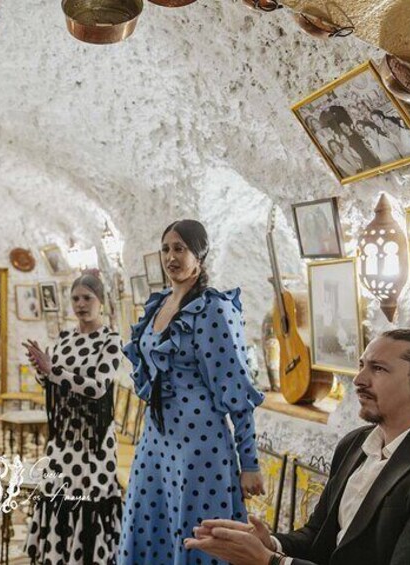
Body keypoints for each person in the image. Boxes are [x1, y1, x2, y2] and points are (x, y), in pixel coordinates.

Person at [185, 329, 410, 565]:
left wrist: (272, 561)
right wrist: (270, 542)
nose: (359, 380)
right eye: (361, 366)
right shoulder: (355, 444)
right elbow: (318, 535)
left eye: (379, 369)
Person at [119, 219, 265, 565]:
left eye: (180, 248)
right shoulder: (158, 305)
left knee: (197, 536)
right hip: (155, 440)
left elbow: (237, 391)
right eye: (166, 249)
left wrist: (250, 463)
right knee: (147, 524)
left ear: (199, 254)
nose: (171, 257)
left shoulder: (215, 309)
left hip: (200, 447)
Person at [22, 270, 124, 564]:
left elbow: (97, 387)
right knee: (58, 502)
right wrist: (42, 370)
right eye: (76, 298)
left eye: (87, 298)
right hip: (63, 441)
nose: (81, 304)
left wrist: (52, 370)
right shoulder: (65, 337)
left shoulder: (111, 341)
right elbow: (54, 383)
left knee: (89, 506)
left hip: (93, 445)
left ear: (101, 301)